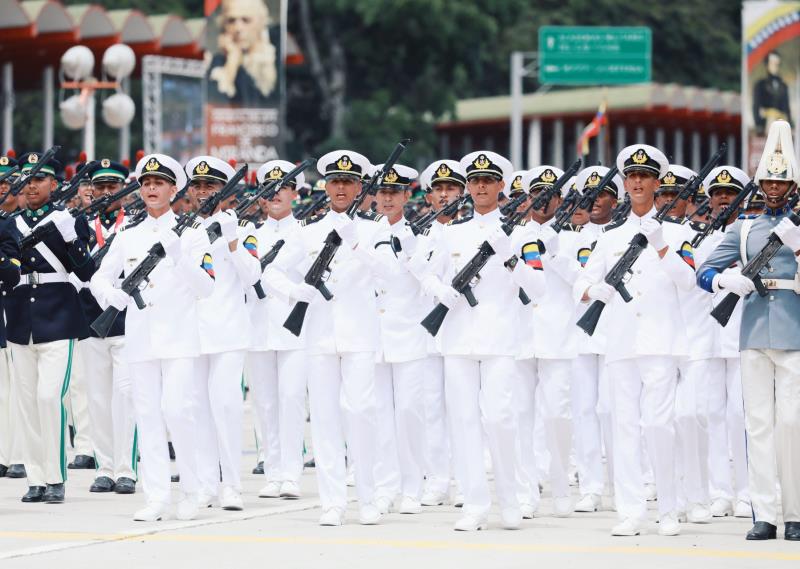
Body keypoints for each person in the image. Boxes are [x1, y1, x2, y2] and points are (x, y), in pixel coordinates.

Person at [419, 150, 547, 531]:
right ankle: (475, 504)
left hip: (500, 339)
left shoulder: (522, 233)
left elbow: (538, 287)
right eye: (474, 181)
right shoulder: (451, 232)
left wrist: (510, 259)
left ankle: (510, 498)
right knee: (463, 422)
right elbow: (425, 275)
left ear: (500, 186)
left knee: (500, 419)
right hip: (458, 339)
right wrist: (441, 291)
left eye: (487, 181)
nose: (480, 187)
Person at [575, 144, 695, 537]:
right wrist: (595, 293)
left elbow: (689, 281)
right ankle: (631, 510)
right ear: (625, 184)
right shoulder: (611, 237)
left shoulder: (678, 233)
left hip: (661, 340)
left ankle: (669, 509)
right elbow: (582, 280)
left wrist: (662, 245)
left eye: (645, 176)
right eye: (632, 176)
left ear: (658, 183)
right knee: (624, 427)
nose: (638, 182)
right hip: (622, 341)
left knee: (659, 426)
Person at [262, 150, 386, 526]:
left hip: (360, 334)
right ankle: (333, 501)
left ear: (360, 186)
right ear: (326, 186)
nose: (341, 188)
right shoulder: (310, 231)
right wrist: (294, 293)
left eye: (349, 182)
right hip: (317, 336)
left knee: (361, 413)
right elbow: (272, 272)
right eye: (335, 182)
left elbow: (389, 274)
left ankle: (368, 496)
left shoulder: (374, 229)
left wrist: (354, 243)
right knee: (327, 420)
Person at [90, 153, 214, 522]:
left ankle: (192, 490)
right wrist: (109, 295)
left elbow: (206, 287)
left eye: (159, 183)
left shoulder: (192, 234)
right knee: (147, 417)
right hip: (140, 340)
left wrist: (179, 256)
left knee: (178, 413)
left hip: (179, 340)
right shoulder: (129, 236)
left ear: (174, 190)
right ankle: (157, 496)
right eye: (146, 184)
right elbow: (100, 276)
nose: (151, 189)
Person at [697, 120, 800, 541]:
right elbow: (702, 270)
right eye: (768, 181)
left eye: (782, 181)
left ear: (792, 184)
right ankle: (766, 513)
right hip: (753, 332)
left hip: (794, 333)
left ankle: (795, 513)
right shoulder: (742, 228)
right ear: (759, 185)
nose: (774, 188)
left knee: (792, 425)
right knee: (758, 425)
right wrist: (725, 282)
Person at [7, 151, 95, 504]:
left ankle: (56, 476)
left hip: (58, 317)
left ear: (54, 185)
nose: (31, 185)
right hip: (19, 319)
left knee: (48, 398)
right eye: (27, 179)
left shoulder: (67, 220)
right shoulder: (9, 225)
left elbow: (85, 272)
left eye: (39, 179)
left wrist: (71, 237)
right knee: (26, 404)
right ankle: (35, 478)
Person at [184, 156, 258, 512]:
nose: (202, 192)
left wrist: (231, 243)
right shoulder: (182, 229)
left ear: (225, 192)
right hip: (190, 332)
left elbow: (252, 276)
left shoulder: (241, 228)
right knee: (197, 408)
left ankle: (232, 485)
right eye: (196, 186)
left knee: (225, 407)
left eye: (210, 186)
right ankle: (205, 484)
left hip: (228, 330)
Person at [370, 163, 432, 515]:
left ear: (407, 195)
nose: (388, 198)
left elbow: (420, 277)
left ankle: (412, 486)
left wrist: (406, 246)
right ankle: (384, 486)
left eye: (395, 192)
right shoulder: (361, 232)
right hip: (375, 336)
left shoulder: (420, 235)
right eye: (382, 192)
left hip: (408, 335)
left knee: (409, 413)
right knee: (379, 415)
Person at [247, 160, 308, 500]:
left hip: (294, 330)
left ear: (294, 193)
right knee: (266, 404)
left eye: (282, 188)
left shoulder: (306, 233)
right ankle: (272, 472)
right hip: (259, 328)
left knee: (292, 400)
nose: (275, 195)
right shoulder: (249, 234)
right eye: (268, 190)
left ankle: (292, 473)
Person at [80, 159, 138, 495]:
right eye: (100, 187)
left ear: (123, 190)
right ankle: (104, 467)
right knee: (98, 398)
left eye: (112, 187)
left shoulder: (132, 225)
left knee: (126, 397)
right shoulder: (81, 225)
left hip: (127, 321)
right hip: (91, 319)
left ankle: (126, 468)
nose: (105, 192)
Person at [569, 166, 625, 513]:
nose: (594, 201)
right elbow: (573, 286)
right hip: (580, 332)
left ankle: (623, 482)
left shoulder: (622, 236)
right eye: (588, 195)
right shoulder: (568, 238)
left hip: (615, 333)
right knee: (584, 412)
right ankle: (591, 486)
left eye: (602, 194)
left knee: (612, 411)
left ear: (615, 200)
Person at [697, 165, 751, 519]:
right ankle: (719, 491)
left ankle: (747, 492)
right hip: (705, 337)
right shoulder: (698, 237)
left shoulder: (752, 234)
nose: (722, 199)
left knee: (740, 417)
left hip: (742, 334)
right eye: (717, 194)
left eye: (729, 194)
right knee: (710, 415)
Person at [413, 159, 467, 506]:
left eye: (451, 189)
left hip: (465, 333)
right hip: (430, 337)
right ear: (429, 196)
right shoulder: (418, 234)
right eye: (439, 189)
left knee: (464, 411)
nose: (445, 195)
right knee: (431, 409)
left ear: (462, 193)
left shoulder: (474, 232)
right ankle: (438, 480)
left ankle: (466, 480)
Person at [207, 0, 279, 106]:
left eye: (246, 20)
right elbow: (214, 103)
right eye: (231, 21)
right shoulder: (219, 62)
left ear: (261, 22)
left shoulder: (277, 51)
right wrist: (232, 61)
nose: (238, 28)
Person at [753, 51, 792, 134]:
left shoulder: (783, 86)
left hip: (782, 123)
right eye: (772, 63)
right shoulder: (760, 85)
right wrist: (759, 124)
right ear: (767, 65)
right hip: (766, 123)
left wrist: (790, 123)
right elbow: (756, 106)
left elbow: (786, 107)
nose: (775, 66)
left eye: (777, 63)